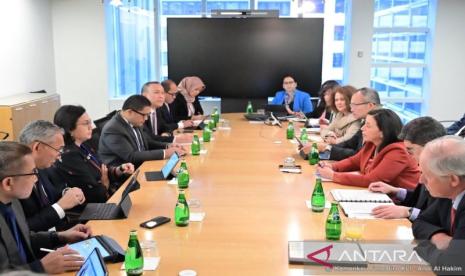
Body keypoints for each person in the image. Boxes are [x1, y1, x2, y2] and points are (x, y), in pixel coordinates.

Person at [0, 141, 91, 274]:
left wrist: (60, 236)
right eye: (32, 173)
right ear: (8, 183)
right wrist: (41, 267)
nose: (36, 179)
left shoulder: (12, 201)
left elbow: (23, 240)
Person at [317, 109, 420, 189]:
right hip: (374, 194)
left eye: (368, 126)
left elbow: (372, 180)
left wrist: (333, 176)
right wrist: (332, 166)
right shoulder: (372, 144)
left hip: (396, 203)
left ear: (383, 132)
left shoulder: (398, 152)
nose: (362, 128)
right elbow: (354, 161)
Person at [368, 117, 446, 220]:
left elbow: (439, 219)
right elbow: (420, 200)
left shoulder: (446, 176)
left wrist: (408, 212)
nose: (409, 156)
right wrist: (395, 191)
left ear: (430, 147)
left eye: (410, 151)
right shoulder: (429, 167)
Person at [53, 105, 135, 202]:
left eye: (90, 122)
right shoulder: (69, 156)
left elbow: (102, 169)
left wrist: (120, 169)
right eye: (85, 124)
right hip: (92, 209)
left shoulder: (84, 145)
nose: (91, 127)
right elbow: (93, 193)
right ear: (70, 128)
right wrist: (105, 184)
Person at [18, 121, 85, 232]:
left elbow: (54, 192)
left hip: (59, 232)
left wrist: (68, 194)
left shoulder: (43, 166)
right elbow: (23, 230)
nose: (60, 155)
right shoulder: (15, 177)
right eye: (58, 149)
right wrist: (60, 206)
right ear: (37, 147)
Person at [412, 136, 465, 272]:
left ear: (453, 179)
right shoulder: (449, 192)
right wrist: (438, 237)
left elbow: (451, 266)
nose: (421, 180)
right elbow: (420, 222)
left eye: (427, 175)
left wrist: (422, 246)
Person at [99, 95, 186, 168]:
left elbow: (147, 142)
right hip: (127, 174)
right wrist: (165, 153)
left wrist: (168, 146)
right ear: (129, 112)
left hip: (143, 165)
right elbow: (131, 156)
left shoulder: (134, 121)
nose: (146, 118)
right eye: (144, 115)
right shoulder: (113, 129)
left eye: (148, 115)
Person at [301, 87, 381, 161]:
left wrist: (326, 147)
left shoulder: (380, 124)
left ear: (370, 105)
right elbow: (349, 144)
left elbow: (358, 154)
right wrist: (323, 147)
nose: (352, 108)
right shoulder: (364, 122)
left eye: (355, 105)